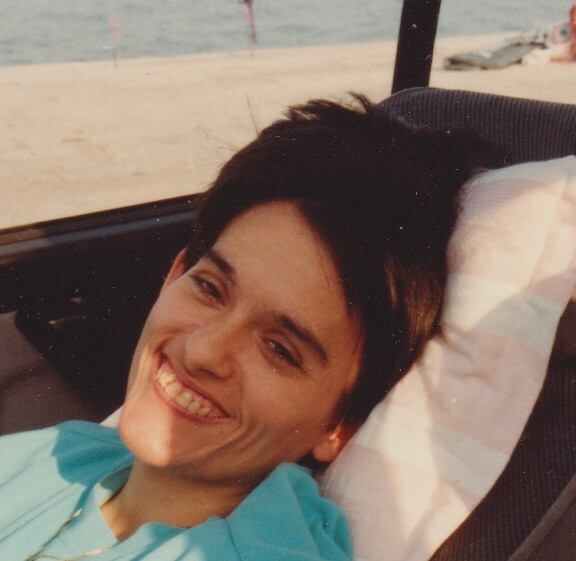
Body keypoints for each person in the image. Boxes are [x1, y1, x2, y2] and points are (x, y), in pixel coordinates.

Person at [0, 95, 501, 560]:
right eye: (210, 289)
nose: (203, 351)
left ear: (342, 426)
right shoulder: (61, 453)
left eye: (280, 350)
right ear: (174, 274)